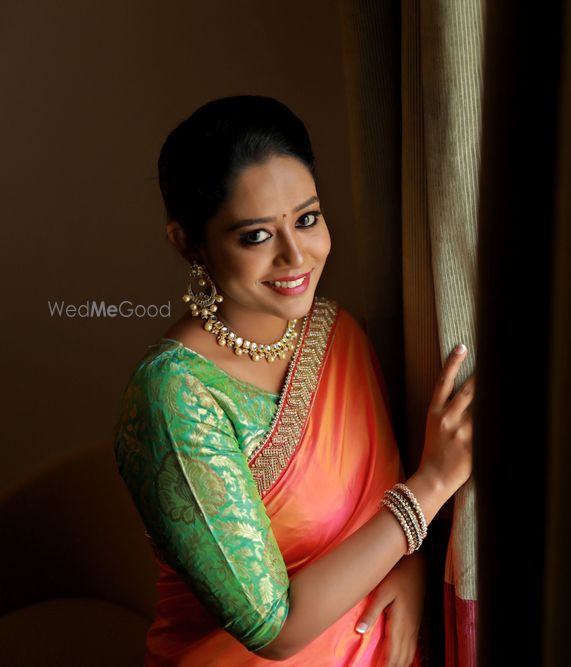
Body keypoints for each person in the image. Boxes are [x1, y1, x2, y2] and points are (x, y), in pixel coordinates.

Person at [112, 95, 474, 666]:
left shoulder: (336, 335)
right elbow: (275, 632)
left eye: (306, 219)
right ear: (189, 244)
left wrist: (412, 565)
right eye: (256, 236)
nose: (296, 255)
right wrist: (432, 486)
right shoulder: (175, 397)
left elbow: (374, 508)